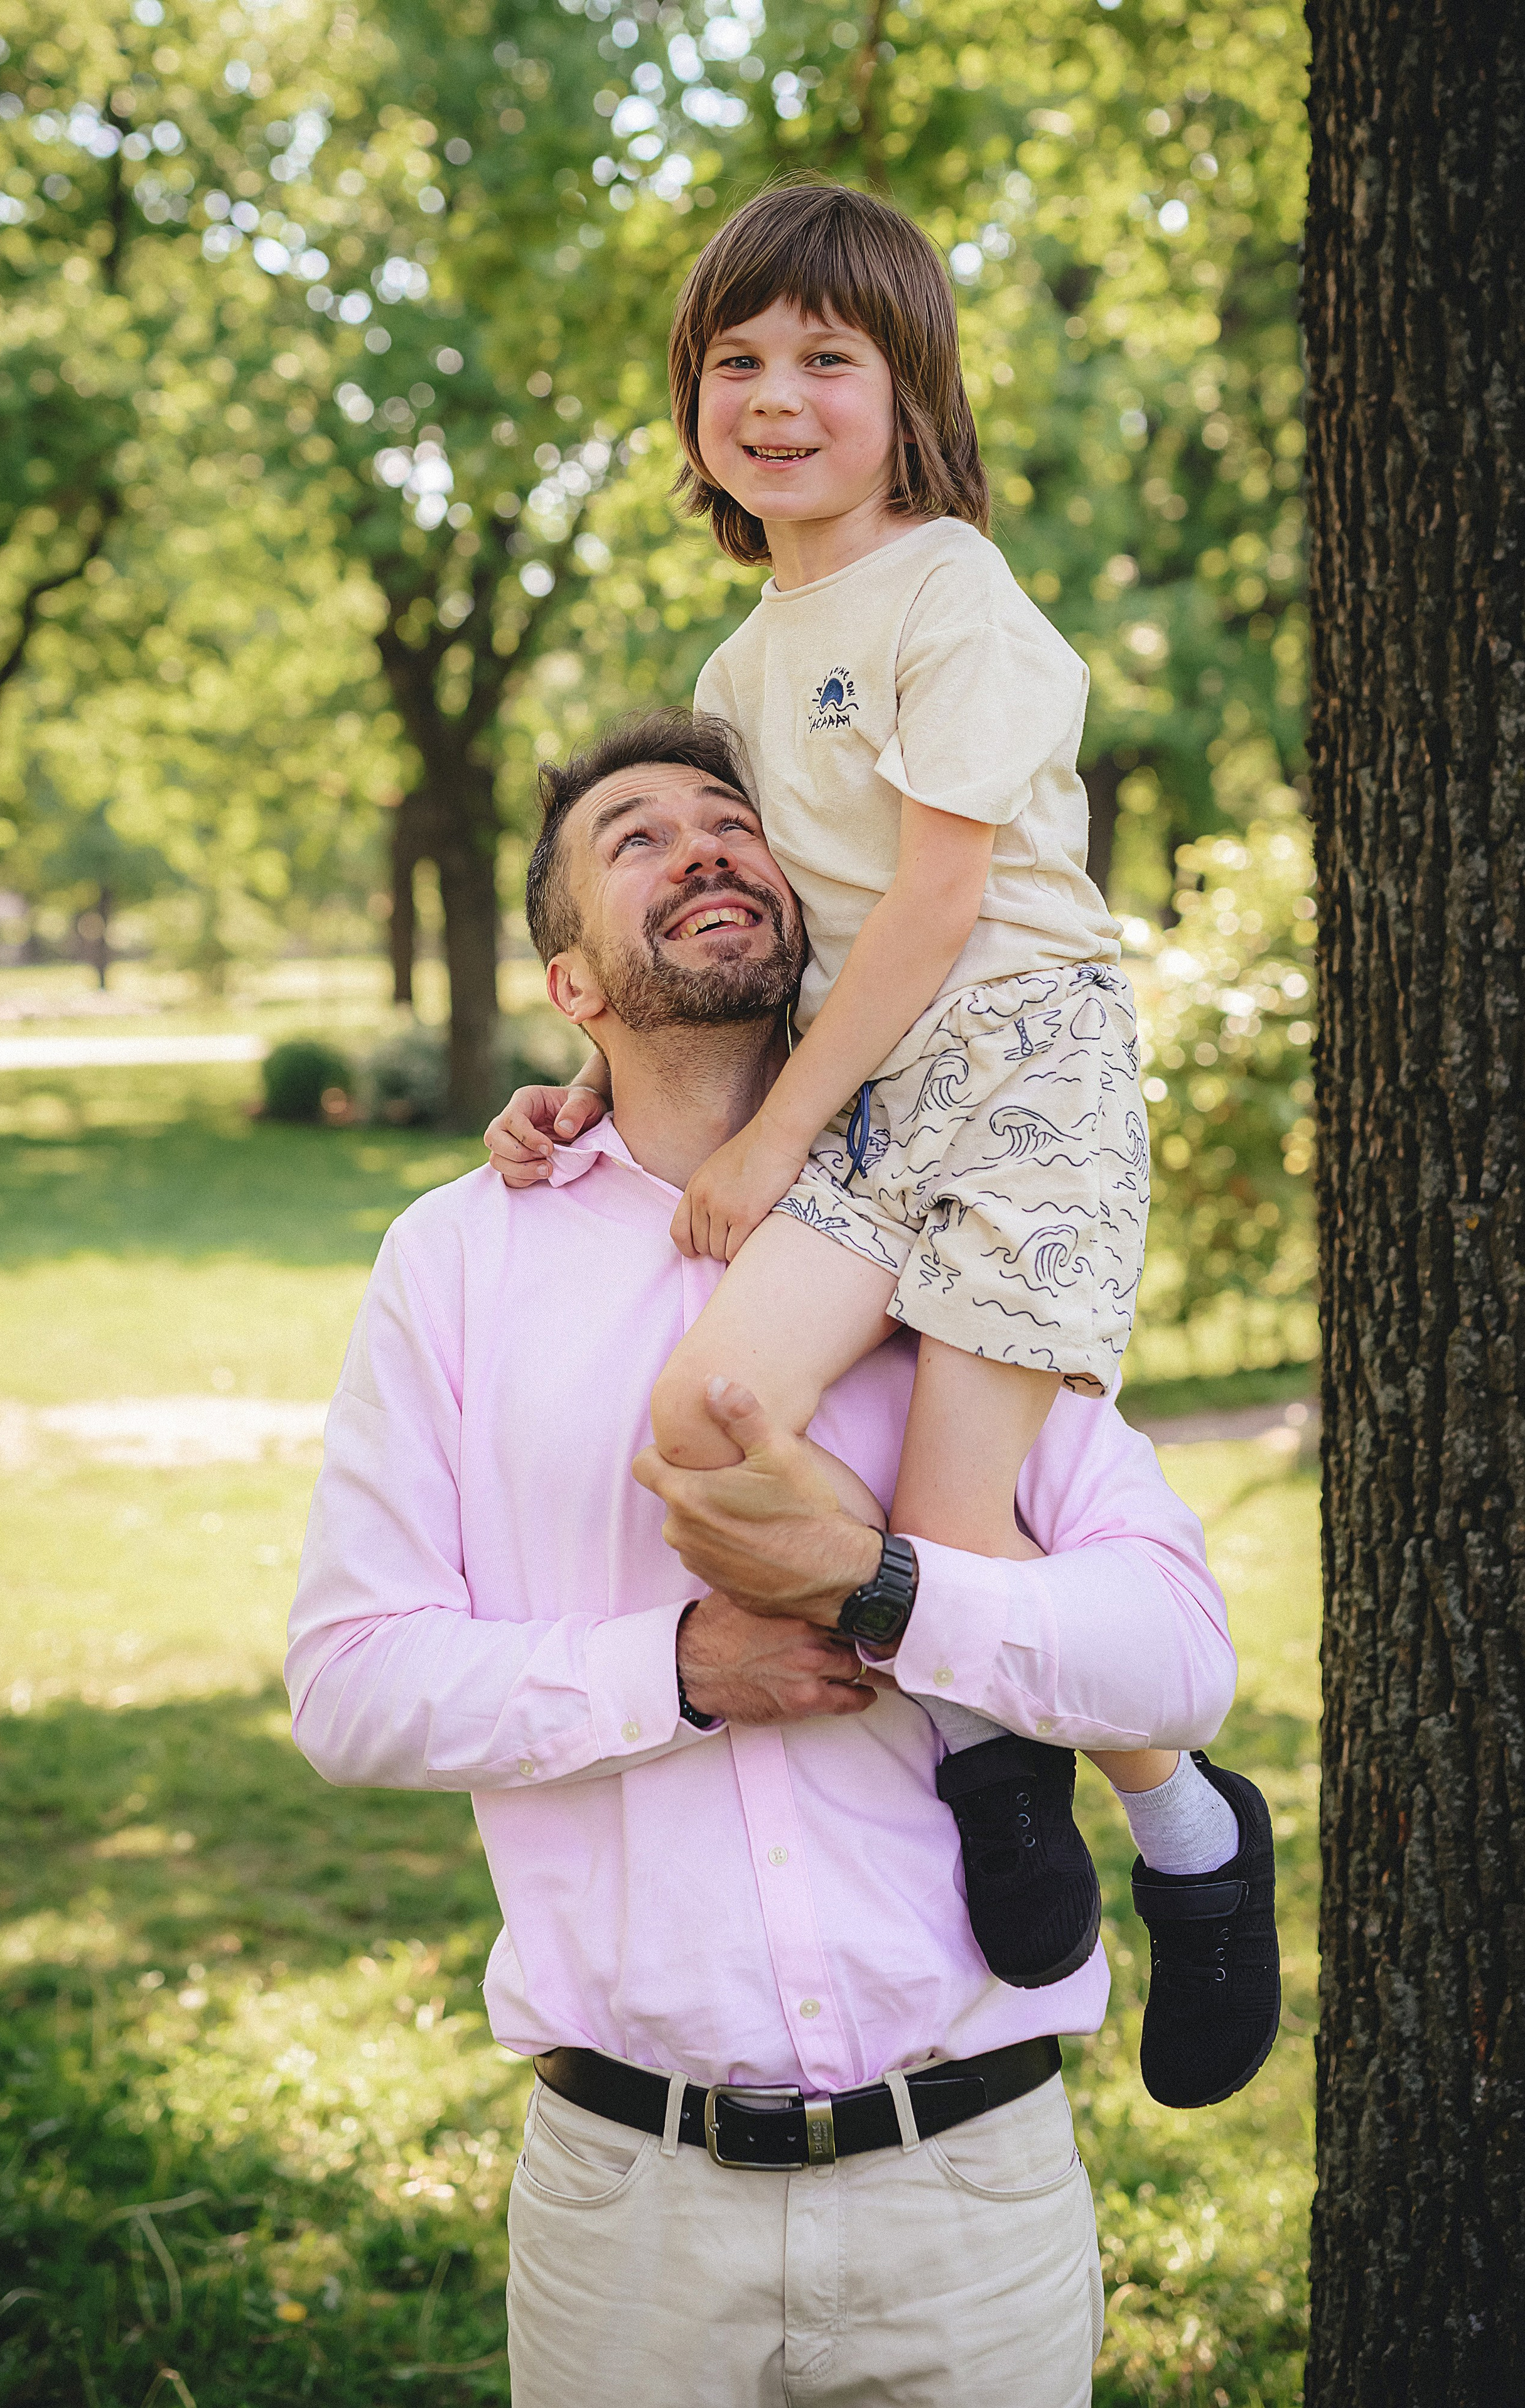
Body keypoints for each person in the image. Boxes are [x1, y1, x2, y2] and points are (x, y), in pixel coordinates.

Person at [288, 715, 1282, 2407]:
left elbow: (1177, 1653)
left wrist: (885, 1587)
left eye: (730, 822)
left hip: (970, 2196)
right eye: (635, 837)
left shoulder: (965, 1231)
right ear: (573, 985)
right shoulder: (459, 1259)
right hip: (630, 2215)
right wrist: (677, 1670)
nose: (702, 848)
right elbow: (352, 1684)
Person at [485, 183, 1276, 2089]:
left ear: (906, 395)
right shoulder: (749, 665)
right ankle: (1002, 1725)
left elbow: (932, 910)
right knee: (700, 1423)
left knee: (947, 1519)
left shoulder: (954, 593)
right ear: (692, 403)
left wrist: (767, 1153)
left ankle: (1163, 1821)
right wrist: (598, 1080)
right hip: (872, 1079)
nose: (777, 395)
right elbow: (777, 928)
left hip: (1015, 1072)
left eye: (826, 358)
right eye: (736, 360)